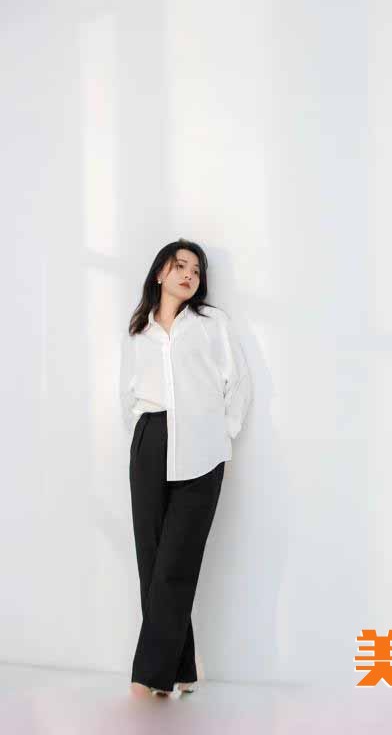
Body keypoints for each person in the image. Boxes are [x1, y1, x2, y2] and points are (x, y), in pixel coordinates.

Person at [119, 238, 253, 698]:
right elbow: (127, 393)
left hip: (202, 446)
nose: (189, 275)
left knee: (176, 562)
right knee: (152, 561)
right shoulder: (139, 329)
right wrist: (142, 441)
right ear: (160, 272)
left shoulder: (212, 323)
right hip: (150, 441)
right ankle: (181, 669)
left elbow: (239, 384)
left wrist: (223, 438)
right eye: (180, 266)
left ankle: (146, 677)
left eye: (196, 270)